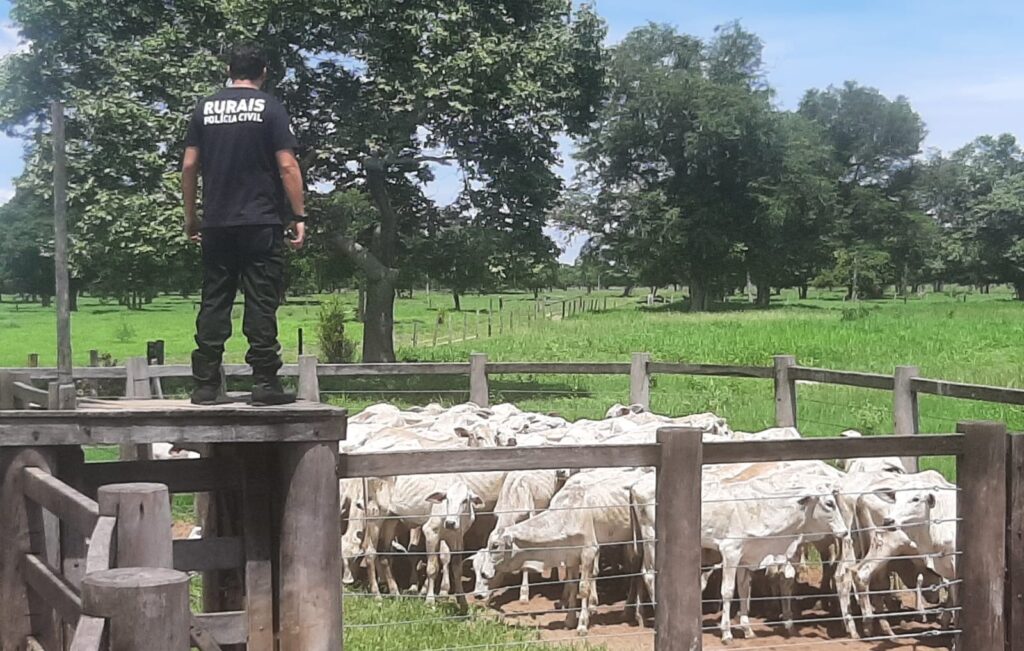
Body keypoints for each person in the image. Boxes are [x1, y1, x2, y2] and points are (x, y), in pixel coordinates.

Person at [181, 44, 306, 405]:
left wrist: (192, 216)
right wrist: (298, 215)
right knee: (261, 302)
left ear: (229, 70)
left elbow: (189, 166)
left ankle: (205, 385)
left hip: (217, 223)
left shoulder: (205, 108)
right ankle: (265, 383)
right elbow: (287, 166)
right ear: (263, 72)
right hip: (260, 221)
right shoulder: (270, 108)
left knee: (215, 300)